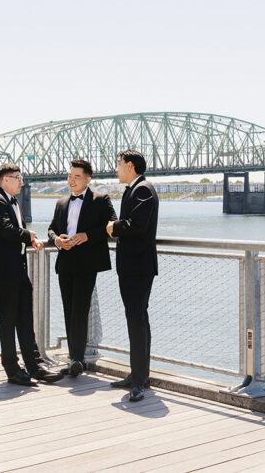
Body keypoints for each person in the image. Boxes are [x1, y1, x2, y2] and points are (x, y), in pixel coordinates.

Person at [0, 163, 63, 385]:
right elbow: (5, 229)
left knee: (25, 319)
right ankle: (12, 369)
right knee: (8, 320)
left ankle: (34, 366)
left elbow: (15, 232)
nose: (21, 181)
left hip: (18, 269)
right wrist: (29, 235)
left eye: (21, 177)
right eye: (16, 177)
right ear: (4, 180)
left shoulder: (13, 201)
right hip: (2, 272)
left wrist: (32, 239)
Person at [48, 159, 115, 378]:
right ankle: (74, 358)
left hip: (87, 264)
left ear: (88, 179)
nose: (72, 180)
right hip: (65, 262)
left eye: (77, 177)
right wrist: (57, 240)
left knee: (79, 310)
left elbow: (111, 226)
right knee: (69, 310)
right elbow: (51, 229)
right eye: (69, 176)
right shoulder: (61, 202)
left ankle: (77, 359)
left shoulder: (101, 199)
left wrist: (87, 236)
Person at [106, 149, 159, 402]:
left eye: (118, 164)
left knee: (136, 321)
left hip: (138, 268)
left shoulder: (143, 190)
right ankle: (138, 375)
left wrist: (112, 227)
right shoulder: (133, 189)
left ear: (129, 165)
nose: (116, 169)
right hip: (132, 267)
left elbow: (137, 226)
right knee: (137, 320)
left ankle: (139, 381)